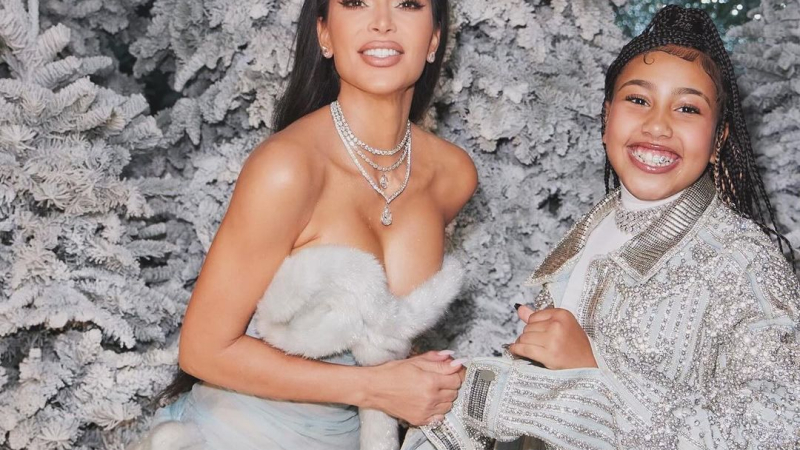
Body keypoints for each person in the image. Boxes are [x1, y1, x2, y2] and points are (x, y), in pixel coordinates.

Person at [405, 6, 799, 450]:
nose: (658, 124)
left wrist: (596, 369)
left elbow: (780, 428)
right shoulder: (593, 231)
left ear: (717, 140)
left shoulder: (743, 260)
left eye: (687, 108)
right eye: (638, 100)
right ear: (606, 118)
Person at [129, 0, 477, 449]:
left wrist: (429, 379)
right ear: (325, 34)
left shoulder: (452, 175)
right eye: (356, 2)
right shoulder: (288, 168)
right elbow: (203, 351)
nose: (382, 23)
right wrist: (374, 387)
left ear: (434, 40)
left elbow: (375, 332)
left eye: (408, 4)